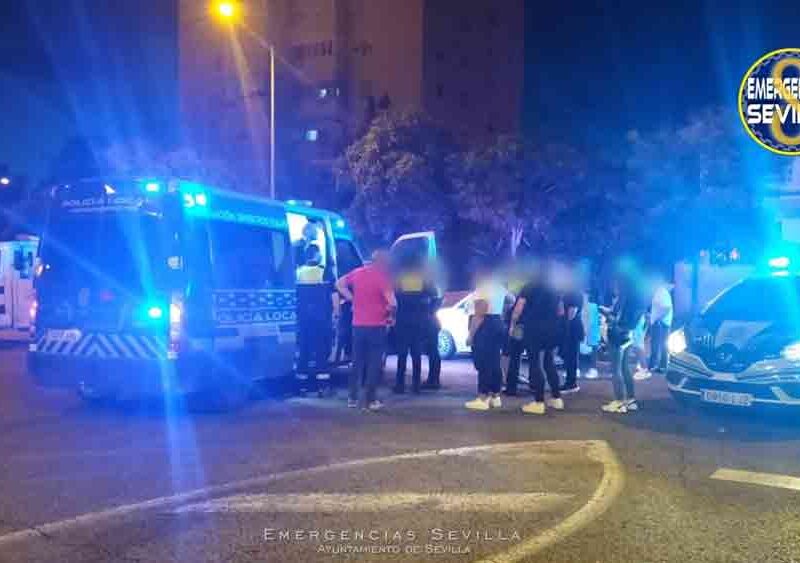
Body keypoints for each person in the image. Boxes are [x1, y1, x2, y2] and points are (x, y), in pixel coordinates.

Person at [336, 250, 396, 411]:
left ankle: (352, 398)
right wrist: (391, 317)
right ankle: (370, 400)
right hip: (377, 326)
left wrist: (352, 298)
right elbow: (393, 303)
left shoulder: (357, 273)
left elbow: (339, 284)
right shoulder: (382, 278)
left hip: (358, 326)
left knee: (357, 362)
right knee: (373, 363)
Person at [511, 267, 564, 415]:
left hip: (534, 330)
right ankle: (556, 398)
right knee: (549, 362)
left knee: (535, 363)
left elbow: (518, 308)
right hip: (553, 330)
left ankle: (539, 401)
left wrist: (512, 325)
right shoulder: (555, 289)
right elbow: (560, 311)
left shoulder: (529, 287)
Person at [465, 267, 509, 411]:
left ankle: (482, 397)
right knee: (495, 361)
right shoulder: (499, 287)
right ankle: (495, 396)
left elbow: (479, 314)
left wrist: (471, 335)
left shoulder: (482, 288)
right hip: (497, 322)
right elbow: (511, 300)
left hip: (485, 326)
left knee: (483, 362)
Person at [601, 276, 645, 414]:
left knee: (615, 369)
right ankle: (631, 400)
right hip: (628, 335)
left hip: (617, 335)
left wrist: (606, 315)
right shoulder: (638, 299)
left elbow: (616, 319)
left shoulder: (624, 298)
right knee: (625, 368)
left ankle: (619, 401)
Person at [295, 245, 332, 395]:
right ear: (317, 255)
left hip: (303, 320)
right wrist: (336, 314)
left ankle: (301, 387)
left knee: (303, 352)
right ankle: (322, 387)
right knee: (321, 352)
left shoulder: (298, 272)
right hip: (320, 319)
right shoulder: (324, 271)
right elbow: (334, 296)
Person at [393, 269, 430, 394]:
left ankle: (400, 385)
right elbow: (430, 298)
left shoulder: (399, 280)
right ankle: (416, 385)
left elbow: (395, 298)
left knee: (402, 354)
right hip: (418, 321)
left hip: (402, 320)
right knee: (416, 354)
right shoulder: (422, 280)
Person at [560, 288, 585, 394]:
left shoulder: (574, 292)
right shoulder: (571, 292)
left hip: (572, 328)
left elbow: (572, 312)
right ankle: (570, 382)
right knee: (569, 356)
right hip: (571, 327)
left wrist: (563, 324)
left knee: (571, 356)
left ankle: (571, 384)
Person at [648, 277, 674, 374]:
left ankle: (654, 365)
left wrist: (658, 319)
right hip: (663, 323)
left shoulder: (660, 292)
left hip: (660, 324)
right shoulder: (661, 292)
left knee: (657, 344)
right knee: (662, 345)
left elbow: (666, 307)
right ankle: (661, 366)